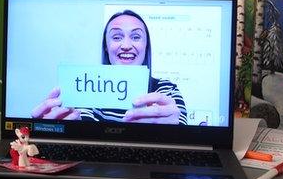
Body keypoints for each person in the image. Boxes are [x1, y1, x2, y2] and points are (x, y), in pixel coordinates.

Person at [30, 10, 187, 125]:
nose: (126, 45)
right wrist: (49, 130)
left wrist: (177, 131)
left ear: (146, 46)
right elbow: (84, 121)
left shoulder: (167, 90)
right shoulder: (86, 89)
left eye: (136, 37)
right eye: (117, 37)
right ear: (106, 47)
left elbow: (185, 141)